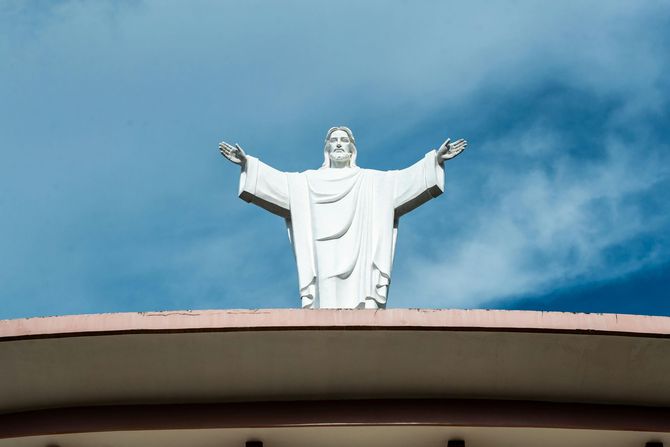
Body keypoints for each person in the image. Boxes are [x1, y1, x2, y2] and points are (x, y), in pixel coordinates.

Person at [219, 127, 467, 309]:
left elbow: (404, 181)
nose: (338, 144)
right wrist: (248, 164)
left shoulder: (373, 182)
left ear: (351, 148)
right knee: (326, 297)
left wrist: (434, 161)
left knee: (360, 296)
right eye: (334, 141)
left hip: (360, 251)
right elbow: (280, 184)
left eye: (344, 140)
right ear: (327, 149)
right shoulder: (307, 182)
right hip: (323, 252)